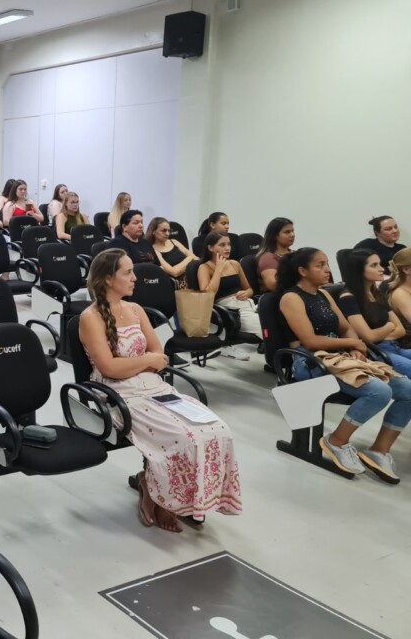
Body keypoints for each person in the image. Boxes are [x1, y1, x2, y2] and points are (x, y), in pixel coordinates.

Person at [79, 248, 242, 531]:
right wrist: (146, 362)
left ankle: (189, 499)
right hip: (120, 394)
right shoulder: (90, 317)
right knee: (185, 436)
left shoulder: (136, 310)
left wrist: (141, 363)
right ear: (108, 279)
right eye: (128, 272)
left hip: (153, 387)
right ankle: (159, 495)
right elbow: (110, 368)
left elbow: (160, 355)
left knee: (217, 430)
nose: (135, 278)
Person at [278, 248, 411, 481]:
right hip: (311, 361)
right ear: (302, 271)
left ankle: (379, 450)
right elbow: (310, 341)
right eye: (320, 265)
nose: (327, 269)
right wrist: (353, 343)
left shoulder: (324, 294)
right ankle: (336, 441)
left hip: (338, 356)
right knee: (379, 391)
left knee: (408, 390)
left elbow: (346, 327)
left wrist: (354, 348)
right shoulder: (291, 298)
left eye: (327, 264)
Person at [338, 250, 411, 378]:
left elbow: (400, 330)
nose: (381, 269)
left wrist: (380, 334)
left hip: (396, 346)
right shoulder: (348, 298)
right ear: (359, 270)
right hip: (377, 353)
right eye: (374, 265)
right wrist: (389, 326)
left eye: (379, 264)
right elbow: (369, 337)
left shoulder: (377, 294)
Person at [197, 232, 260, 356]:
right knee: (269, 328)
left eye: (229, 244)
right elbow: (207, 295)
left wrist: (246, 293)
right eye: (222, 245)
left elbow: (250, 289)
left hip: (248, 305)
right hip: (231, 311)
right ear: (210, 248)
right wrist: (218, 270)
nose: (227, 248)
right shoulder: (204, 267)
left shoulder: (235, 264)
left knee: (278, 321)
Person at [254, 217, 295, 293]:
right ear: (275, 236)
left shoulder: (295, 253)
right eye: (287, 232)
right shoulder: (268, 257)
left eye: (292, 231)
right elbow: (272, 285)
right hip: (281, 296)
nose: (292, 235)